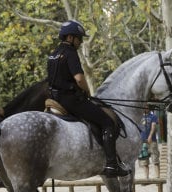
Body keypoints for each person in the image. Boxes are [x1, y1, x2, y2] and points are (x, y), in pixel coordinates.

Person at [47, 20, 129, 177]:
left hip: (54, 98)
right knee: (108, 122)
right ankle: (112, 165)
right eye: (79, 38)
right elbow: (79, 78)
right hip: (71, 99)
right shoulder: (70, 53)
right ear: (70, 37)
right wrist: (87, 92)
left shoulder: (53, 54)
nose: (80, 42)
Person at [139, 106, 160, 179]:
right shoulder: (139, 117)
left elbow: (153, 126)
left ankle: (157, 177)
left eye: (147, 107)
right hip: (142, 141)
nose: (145, 108)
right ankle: (146, 178)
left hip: (152, 140)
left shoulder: (153, 116)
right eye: (144, 107)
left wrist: (150, 136)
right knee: (144, 161)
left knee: (155, 159)